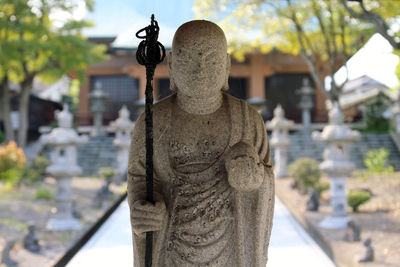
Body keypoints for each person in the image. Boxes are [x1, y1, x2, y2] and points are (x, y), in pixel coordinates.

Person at [127, 20, 275, 267]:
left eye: (212, 60)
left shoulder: (248, 120)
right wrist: (143, 210)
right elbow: (139, 177)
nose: (201, 70)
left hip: (231, 246)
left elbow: (267, 179)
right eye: (189, 61)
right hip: (170, 246)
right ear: (172, 66)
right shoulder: (152, 121)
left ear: (227, 66)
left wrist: (252, 180)